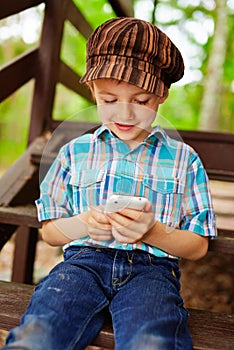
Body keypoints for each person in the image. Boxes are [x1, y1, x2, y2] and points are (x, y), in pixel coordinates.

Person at [3, 17, 217, 350]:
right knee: (39, 336)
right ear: (92, 92)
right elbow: (50, 232)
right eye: (109, 99)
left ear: (162, 93)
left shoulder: (183, 159)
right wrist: (82, 223)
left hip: (152, 271)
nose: (125, 114)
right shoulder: (74, 153)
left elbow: (199, 246)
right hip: (81, 265)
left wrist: (151, 231)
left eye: (141, 100)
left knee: (152, 342)